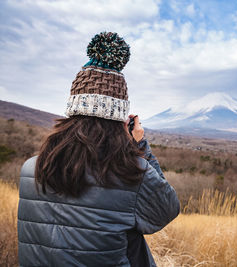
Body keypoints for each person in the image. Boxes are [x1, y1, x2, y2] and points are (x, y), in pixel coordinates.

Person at [17, 32, 180, 267]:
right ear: (119, 120)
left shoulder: (32, 168)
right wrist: (139, 147)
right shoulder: (131, 173)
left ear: (72, 111)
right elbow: (166, 210)